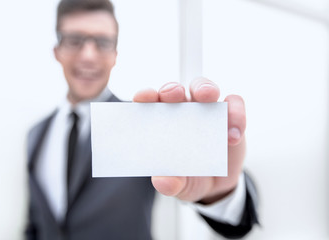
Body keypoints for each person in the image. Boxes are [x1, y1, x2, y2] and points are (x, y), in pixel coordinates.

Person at [25, 0, 259, 239]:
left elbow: (211, 188)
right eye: (75, 40)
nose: (88, 55)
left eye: (103, 42)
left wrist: (221, 193)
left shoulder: (141, 126)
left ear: (115, 54)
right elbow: (36, 223)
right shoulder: (36, 135)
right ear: (57, 51)